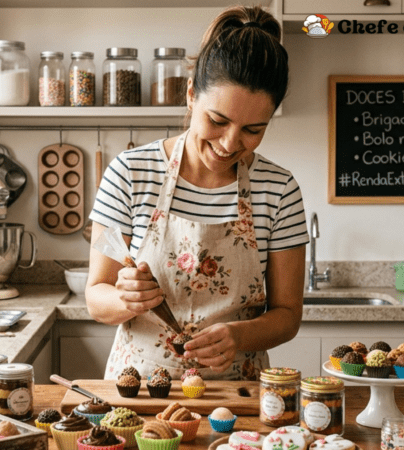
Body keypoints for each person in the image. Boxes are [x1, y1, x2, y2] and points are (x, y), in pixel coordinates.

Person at [86, 5, 308, 381]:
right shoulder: (130, 173)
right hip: (137, 392)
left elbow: (287, 316)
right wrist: (124, 298)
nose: (230, 143)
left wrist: (239, 335)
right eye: (217, 121)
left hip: (237, 395)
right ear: (191, 95)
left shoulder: (279, 190)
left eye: (253, 129)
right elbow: (96, 297)